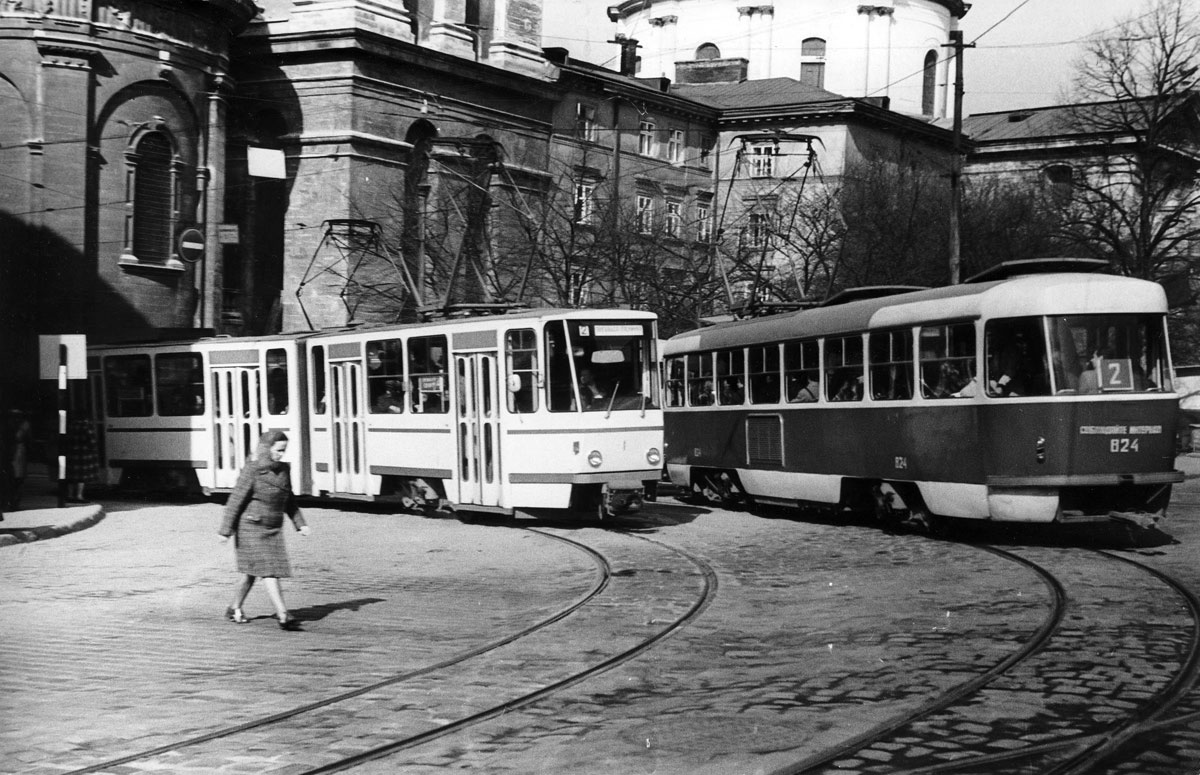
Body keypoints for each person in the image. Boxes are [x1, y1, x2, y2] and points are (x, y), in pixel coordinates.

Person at [218, 430, 311, 630]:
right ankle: (283, 615)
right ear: (267, 448)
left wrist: (300, 524)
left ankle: (234, 607)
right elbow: (235, 501)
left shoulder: (284, 470)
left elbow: (290, 500)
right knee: (270, 570)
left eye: (284, 451)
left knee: (249, 574)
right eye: (278, 450)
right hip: (251, 527)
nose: (281, 455)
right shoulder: (252, 469)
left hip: (273, 529)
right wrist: (225, 531)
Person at [63, 416, 99, 503]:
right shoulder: (87, 426)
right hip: (84, 453)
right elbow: (92, 441)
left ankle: (70, 495)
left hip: (72, 452)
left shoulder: (71, 425)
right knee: (82, 477)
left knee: (72, 476)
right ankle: (79, 496)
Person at [5, 409, 32, 511]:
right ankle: (14, 502)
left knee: (13, 479)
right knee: (18, 480)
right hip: (18, 452)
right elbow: (28, 438)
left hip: (13, 452)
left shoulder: (7, 424)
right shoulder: (24, 425)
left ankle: (12, 502)